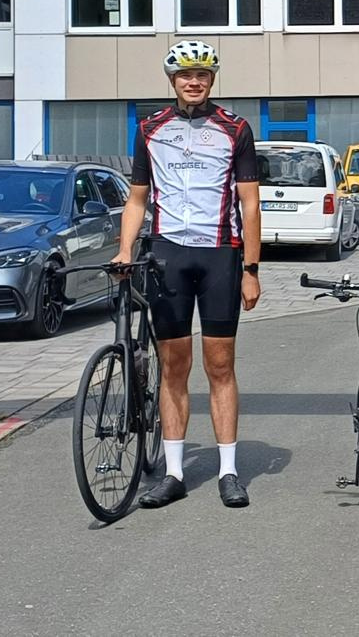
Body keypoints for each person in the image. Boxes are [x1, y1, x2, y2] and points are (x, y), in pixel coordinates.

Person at [113, 40, 261, 510]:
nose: (193, 82)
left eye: (201, 75)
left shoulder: (235, 128)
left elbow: (250, 204)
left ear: (212, 80)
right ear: (172, 80)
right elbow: (137, 199)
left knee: (220, 365)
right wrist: (124, 250)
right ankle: (174, 473)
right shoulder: (150, 128)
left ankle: (228, 471)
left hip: (220, 256)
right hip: (167, 255)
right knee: (174, 366)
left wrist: (252, 269)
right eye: (185, 75)